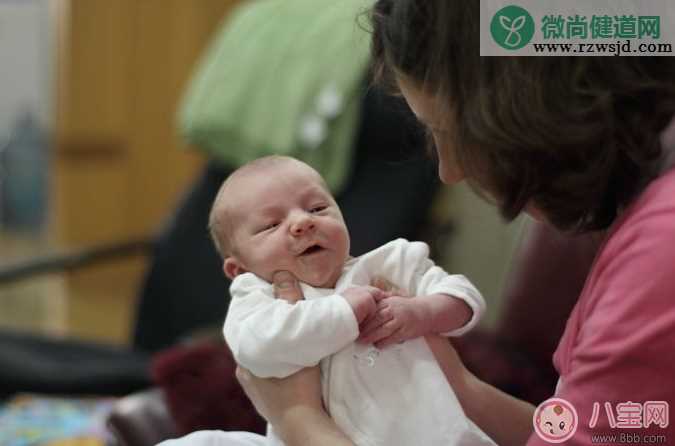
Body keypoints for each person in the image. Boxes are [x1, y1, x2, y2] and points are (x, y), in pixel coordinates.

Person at [233, 2, 675, 446]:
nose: (449, 171)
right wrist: (460, 388)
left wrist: (298, 420)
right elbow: (591, 432)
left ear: (526, 111)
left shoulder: (660, 250)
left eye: (450, 132)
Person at [159, 155, 494, 445]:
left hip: (429, 434)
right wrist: (346, 310)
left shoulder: (392, 263)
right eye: (271, 225)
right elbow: (257, 350)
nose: (303, 222)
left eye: (318, 208)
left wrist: (423, 311)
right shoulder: (257, 300)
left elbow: (465, 297)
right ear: (239, 269)